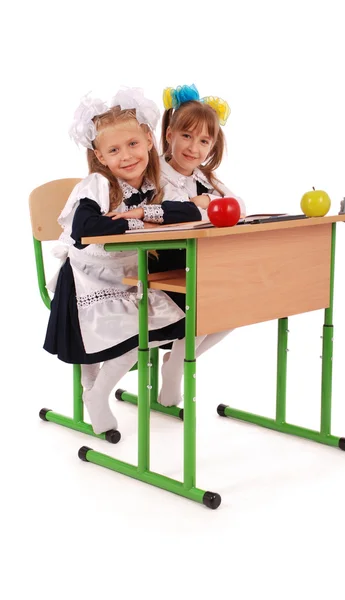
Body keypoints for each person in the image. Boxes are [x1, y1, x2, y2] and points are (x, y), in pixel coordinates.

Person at [44, 87, 202, 435]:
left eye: (132, 144)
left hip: (131, 276)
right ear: (100, 156)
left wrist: (146, 211)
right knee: (137, 330)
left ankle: (101, 389)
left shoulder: (153, 184)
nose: (126, 156)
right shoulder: (98, 184)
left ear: (148, 139)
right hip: (88, 279)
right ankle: (96, 393)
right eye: (114, 150)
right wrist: (139, 222)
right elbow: (87, 228)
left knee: (184, 314)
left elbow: (189, 210)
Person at [152, 84, 247, 407]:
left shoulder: (205, 177)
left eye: (204, 141)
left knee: (237, 305)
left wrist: (205, 200)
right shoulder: (155, 174)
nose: (194, 148)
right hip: (165, 263)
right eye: (187, 136)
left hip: (200, 261)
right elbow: (172, 215)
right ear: (169, 135)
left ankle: (176, 363)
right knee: (209, 302)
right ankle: (177, 367)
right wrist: (204, 204)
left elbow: (240, 205)